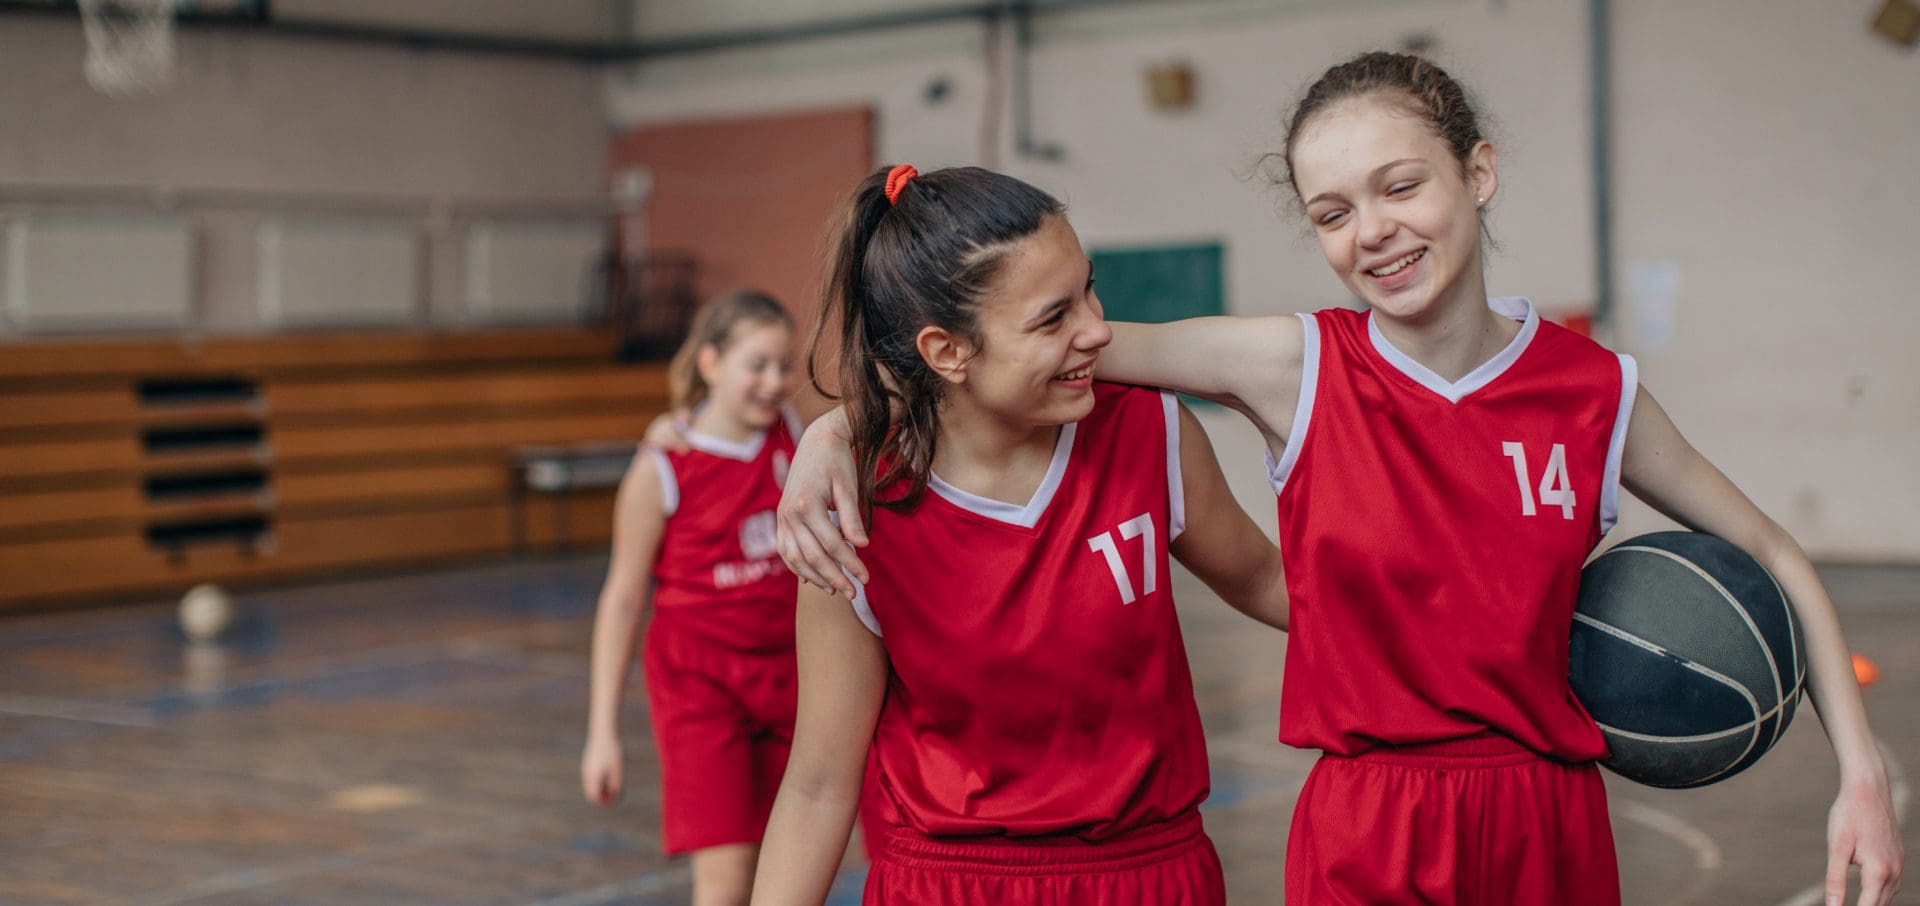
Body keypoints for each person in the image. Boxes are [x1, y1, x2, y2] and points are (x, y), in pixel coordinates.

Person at [771, 52, 1904, 906]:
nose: (1374, 231)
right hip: (1367, 816)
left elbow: (1771, 551)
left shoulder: (1593, 390)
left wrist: (1859, 765)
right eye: (1330, 211)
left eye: (1399, 186)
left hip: (1545, 814)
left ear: (1479, 170)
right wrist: (836, 432)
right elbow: (1004, 357)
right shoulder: (1289, 364)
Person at [750, 164, 1290, 905]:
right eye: (1052, 318)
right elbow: (817, 784)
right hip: (951, 884)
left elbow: (1265, 579)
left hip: (1148, 874)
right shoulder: (858, 514)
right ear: (947, 352)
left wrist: (1449, 629)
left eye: (1089, 291)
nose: (1098, 328)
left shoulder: (1148, 431)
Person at [582, 289, 807, 906]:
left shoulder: (792, 432)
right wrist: (603, 732)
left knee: (788, 873)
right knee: (727, 879)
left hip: (790, 679)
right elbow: (622, 599)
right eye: (756, 364)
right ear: (710, 362)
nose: (774, 380)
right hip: (701, 687)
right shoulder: (662, 468)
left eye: (784, 365)